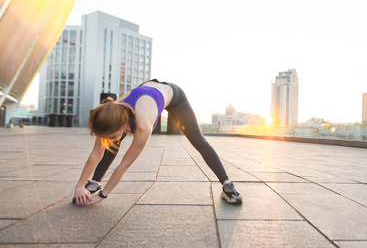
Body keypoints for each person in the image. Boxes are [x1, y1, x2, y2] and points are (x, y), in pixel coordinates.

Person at [73, 79, 242, 206]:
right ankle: (94, 182)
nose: (107, 140)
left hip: (174, 96)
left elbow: (124, 165)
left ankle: (227, 185)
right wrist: (80, 186)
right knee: (112, 144)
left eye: (110, 136)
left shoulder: (143, 125)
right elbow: (96, 154)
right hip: (147, 88)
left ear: (125, 125)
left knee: (198, 140)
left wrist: (102, 195)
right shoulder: (109, 113)